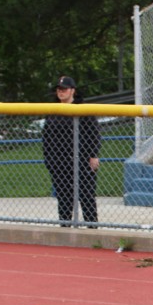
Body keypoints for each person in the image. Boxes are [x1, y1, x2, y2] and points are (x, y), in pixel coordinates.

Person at [42, 76, 100, 228]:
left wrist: (93, 155)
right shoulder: (53, 111)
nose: (60, 92)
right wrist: (49, 160)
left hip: (81, 161)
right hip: (59, 163)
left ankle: (92, 229)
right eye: (59, 89)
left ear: (72, 91)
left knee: (86, 196)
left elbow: (94, 133)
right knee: (64, 198)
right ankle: (65, 228)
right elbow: (46, 138)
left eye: (64, 89)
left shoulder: (83, 109)